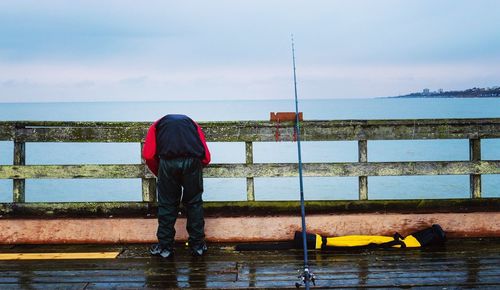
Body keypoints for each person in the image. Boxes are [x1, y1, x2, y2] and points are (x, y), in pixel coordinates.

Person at [142, 114, 211, 257]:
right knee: (194, 203)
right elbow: (206, 156)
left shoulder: (156, 126)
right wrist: (197, 167)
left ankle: (165, 248)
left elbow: (148, 155)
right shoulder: (193, 124)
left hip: (167, 163)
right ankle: (197, 246)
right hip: (192, 162)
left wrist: (159, 171)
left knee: (167, 204)